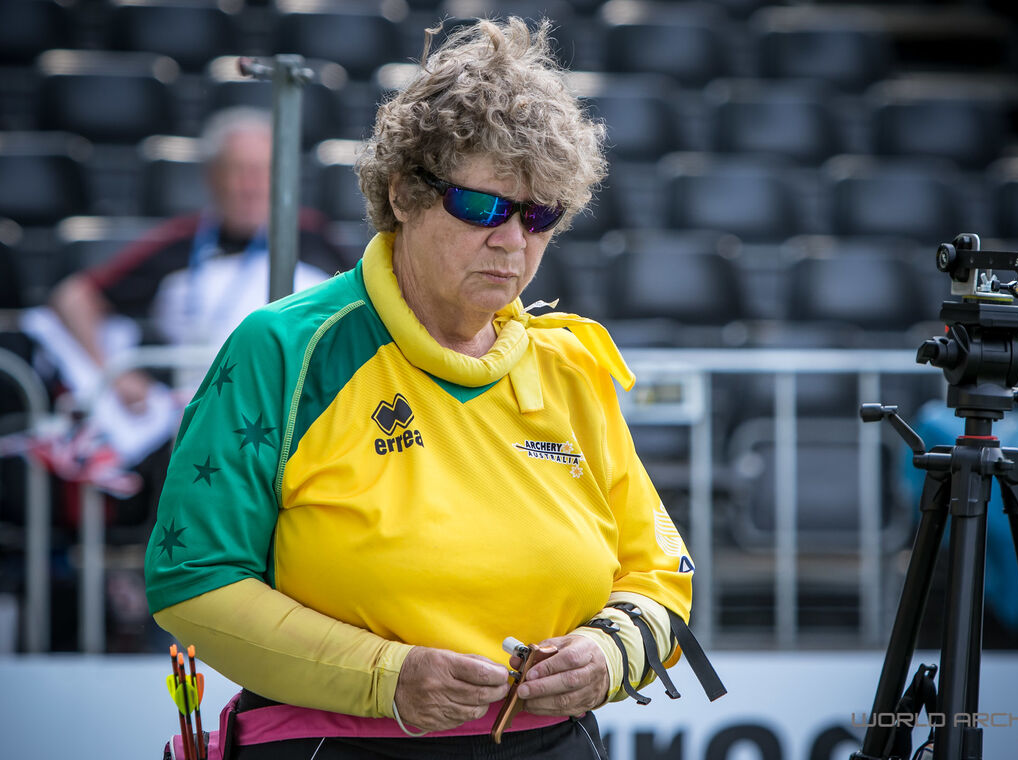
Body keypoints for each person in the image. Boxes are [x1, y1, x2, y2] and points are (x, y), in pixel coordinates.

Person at [145, 18, 714, 759]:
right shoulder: (283, 348)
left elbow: (662, 573)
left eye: (540, 215)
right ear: (403, 194)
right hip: (339, 745)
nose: (512, 240)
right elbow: (192, 581)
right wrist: (387, 676)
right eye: (482, 207)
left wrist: (610, 653)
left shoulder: (570, 365)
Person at [48, 106, 351, 413]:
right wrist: (114, 375)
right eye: (238, 170)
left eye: (263, 170)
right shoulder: (181, 241)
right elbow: (74, 297)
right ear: (212, 177)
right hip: (199, 413)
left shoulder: (314, 237)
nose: (252, 186)